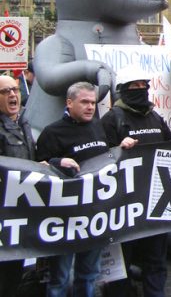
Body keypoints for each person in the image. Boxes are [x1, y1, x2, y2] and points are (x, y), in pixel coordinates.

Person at [101, 67, 171, 297]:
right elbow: (99, 158)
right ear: (123, 90)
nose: (140, 89)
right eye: (134, 86)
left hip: (155, 202)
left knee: (156, 261)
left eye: (143, 85)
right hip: (124, 205)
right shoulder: (111, 119)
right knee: (122, 263)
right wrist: (117, 149)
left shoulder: (154, 117)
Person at [36, 82, 110, 297]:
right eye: (84, 102)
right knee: (60, 278)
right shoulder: (52, 132)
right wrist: (57, 162)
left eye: (93, 103)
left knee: (88, 275)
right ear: (69, 103)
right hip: (64, 220)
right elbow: (36, 170)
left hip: (95, 215)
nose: (90, 107)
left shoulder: (98, 126)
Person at [0, 74, 34, 296]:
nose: (13, 94)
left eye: (15, 90)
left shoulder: (23, 122)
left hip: (17, 215)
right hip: (4, 214)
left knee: (13, 275)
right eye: (5, 92)